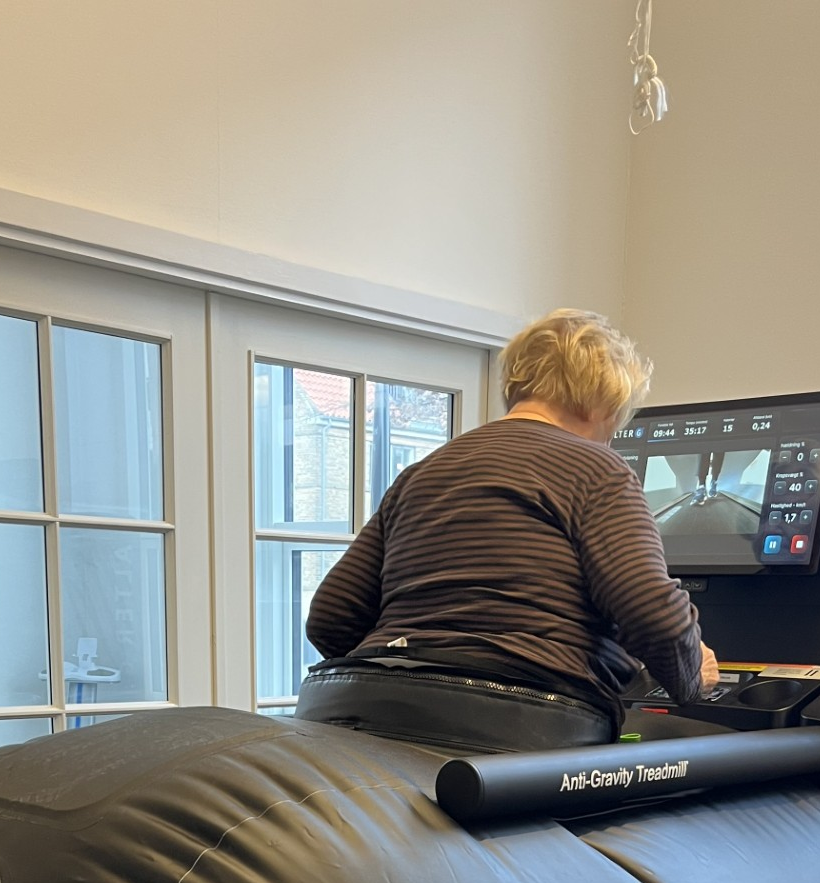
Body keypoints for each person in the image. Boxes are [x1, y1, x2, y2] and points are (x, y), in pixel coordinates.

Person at [301, 309, 717, 747]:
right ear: (601, 402)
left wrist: (413, 664)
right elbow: (652, 613)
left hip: (357, 709)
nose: (611, 436)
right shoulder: (598, 468)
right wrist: (692, 677)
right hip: (518, 718)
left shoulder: (423, 472)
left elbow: (331, 616)